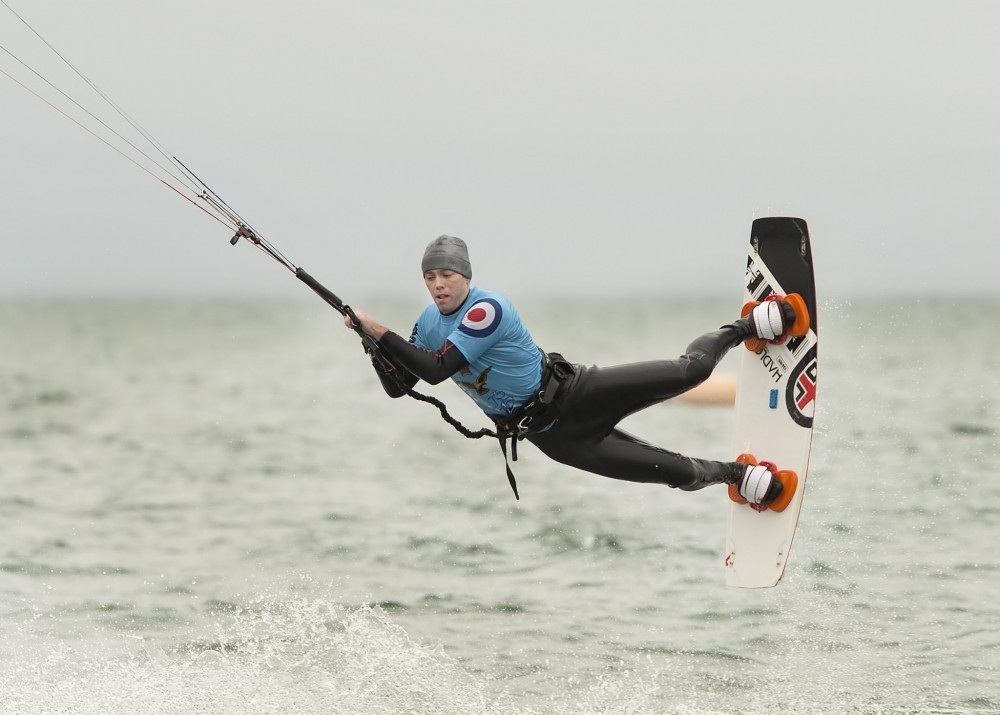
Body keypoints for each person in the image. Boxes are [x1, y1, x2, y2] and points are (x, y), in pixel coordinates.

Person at [344, 235, 799, 505]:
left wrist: (378, 329)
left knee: (690, 373)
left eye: (446, 274)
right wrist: (372, 346)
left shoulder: (487, 309)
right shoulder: (426, 323)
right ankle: (737, 476)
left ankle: (746, 325)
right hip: (554, 437)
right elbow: (401, 386)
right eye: (429, 277)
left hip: (579, 393)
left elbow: (439, 369)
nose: (438, 284)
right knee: (675, 474)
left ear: (465, 275)